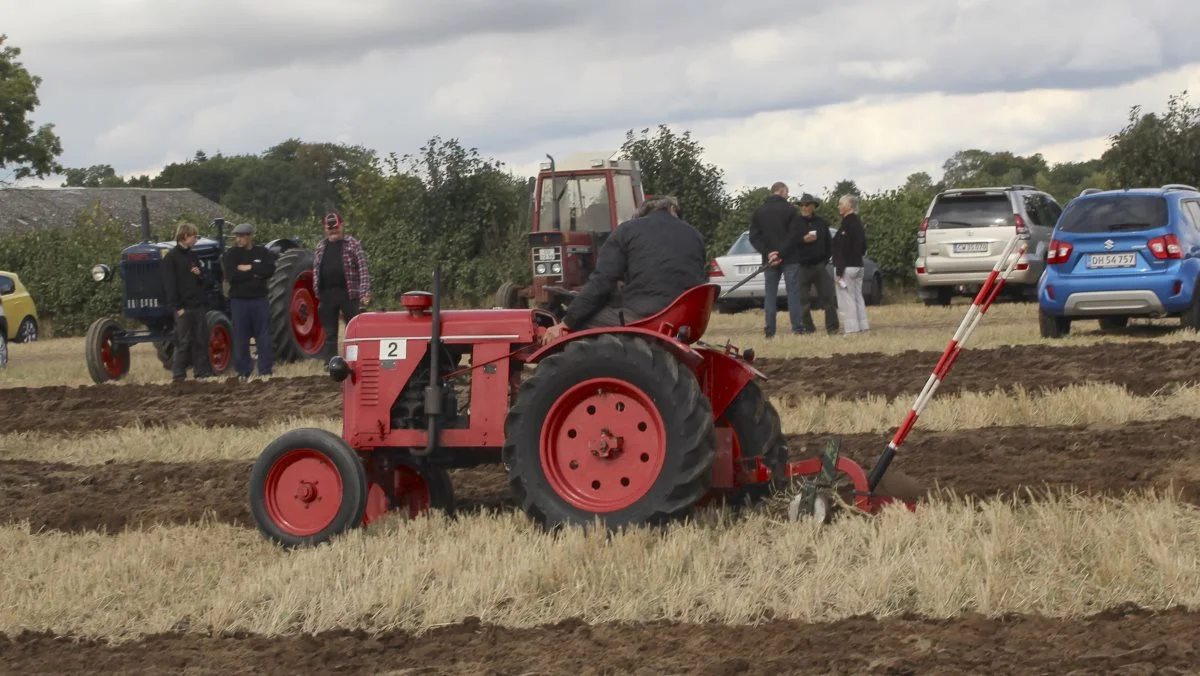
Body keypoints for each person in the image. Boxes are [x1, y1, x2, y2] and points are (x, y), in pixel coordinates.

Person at [541, 196, 706, 342]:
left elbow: (602, 282)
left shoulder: (628, 230)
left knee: (580, 324)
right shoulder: (696, 235)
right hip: (685, 318)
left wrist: (566, 322)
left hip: (648, 316)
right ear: (673, 211)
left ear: (641, 214)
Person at [749, 182, 806, 338]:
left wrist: (769, 253)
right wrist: (780, 253)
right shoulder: (791, 210)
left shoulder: (759, 212)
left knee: (770, 294)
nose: (787, 196)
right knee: (793, 293)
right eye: (787, 193)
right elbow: (793, 235)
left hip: (769, 259)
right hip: (790, 258)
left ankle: (770, 330)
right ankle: (797, 328)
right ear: (781, 192)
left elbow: (754, 237)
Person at [313, 212, 371, 362]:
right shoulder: (320, 246)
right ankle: (331, 363)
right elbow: (316, 270)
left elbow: (363, 269)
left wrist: (364, 292)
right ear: (325, 229)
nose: (333, 231)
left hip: (348, 293)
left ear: (342, 226)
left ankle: (354, 361)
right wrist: (316, 291)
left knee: (352, 330)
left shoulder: (352, 244)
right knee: (330, 332)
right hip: (327, 294)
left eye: (336, 227)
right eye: (330, 228)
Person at [222, 222, 277, 379]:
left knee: (264, 336)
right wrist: (254, 273)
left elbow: (269, 270)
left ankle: (265, 370)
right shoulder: (231, 254)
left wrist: (248, 268)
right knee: (240, 337)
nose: (239, 239)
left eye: (242, 236)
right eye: (237, 236)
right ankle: (244, 372)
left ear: (249, 236)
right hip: (239, 302)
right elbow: (231, 275)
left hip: (259, 300)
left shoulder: (262, 252)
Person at [162, 222, 213, 381]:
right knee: (182, 342)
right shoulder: (171, 258)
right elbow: (169, 285)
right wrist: (177, 307)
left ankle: (201, 372)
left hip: (198, 306)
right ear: (184, 237)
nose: (196, 240)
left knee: (200, 340)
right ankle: (178, 374)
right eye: (193, 237)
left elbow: (204, 281)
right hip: (183, 308)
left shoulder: (193, 256)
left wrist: (199, 274)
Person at [792, 193, 839, 335]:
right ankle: (808, 328)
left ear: (813, 206)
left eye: (807, 205)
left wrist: (825, 260)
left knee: (828, 297)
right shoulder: (794, 224)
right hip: (802, 266)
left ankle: (832, 328)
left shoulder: (821, 223)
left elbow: (829, 244)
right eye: (801, 205)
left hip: (819, 265)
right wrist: (802, 240)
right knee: (802, 300)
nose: (804, 207)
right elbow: (790, 244)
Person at [832, 194, 870, 334]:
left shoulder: (847, 224)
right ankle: (863, 325)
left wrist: (839, 271)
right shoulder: (858, 222)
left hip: (847, 266)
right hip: (858, 265)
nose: (839, 206)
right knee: (857, 296)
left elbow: (843, 249)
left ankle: (852, 329)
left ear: (849, 206)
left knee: (847, 298)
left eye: (841, 204)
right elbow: (864, 246)